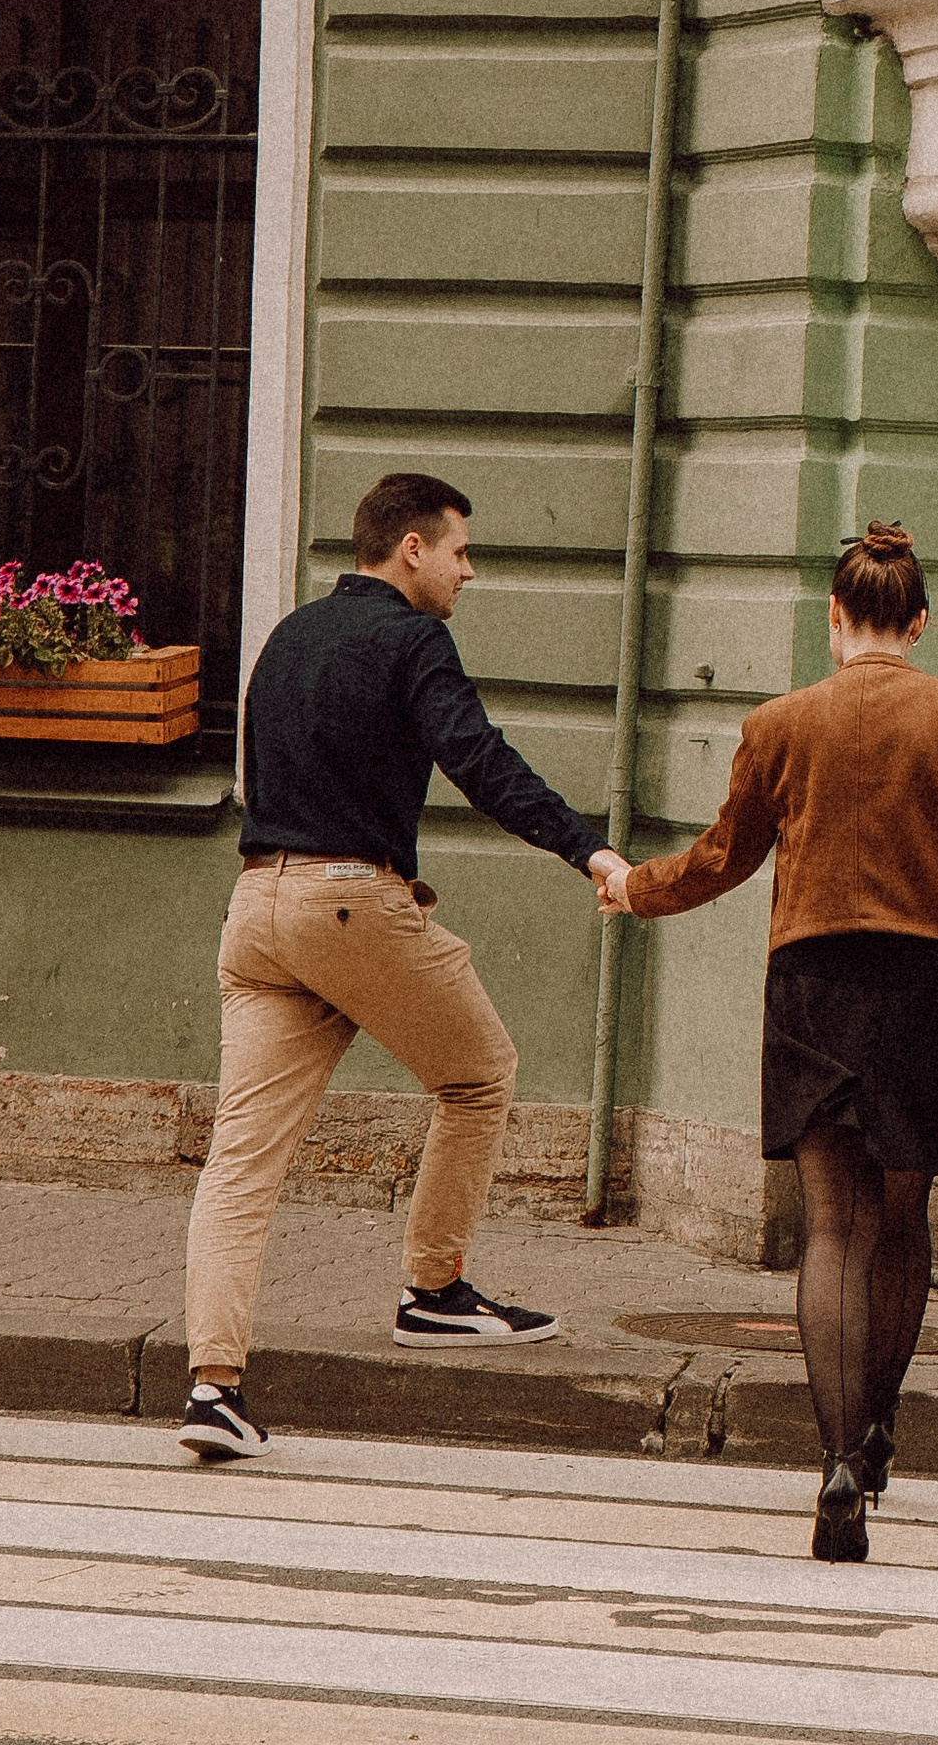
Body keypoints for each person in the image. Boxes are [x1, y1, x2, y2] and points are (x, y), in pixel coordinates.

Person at [613, 521, 938, 1560]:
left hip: (816, 987)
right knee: (902, 1221)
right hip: (936, 992)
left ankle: (838, 1459)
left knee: (831, 1229)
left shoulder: (780, 724)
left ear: (836, 618)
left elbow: (721, 859)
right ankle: (879, 1425)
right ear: (919, 623)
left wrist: (633, 887)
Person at [177, 471, 634, 1464]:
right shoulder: (413, 638)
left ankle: (213, 1388)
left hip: (257, 908)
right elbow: (479, 758)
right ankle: (433, 1292)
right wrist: (588, 849)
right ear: (411, 548)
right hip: (347, 901)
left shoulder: (289, 636)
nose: (469, 571)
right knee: (479, 1076)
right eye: (460, 551)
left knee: (240, 1164)